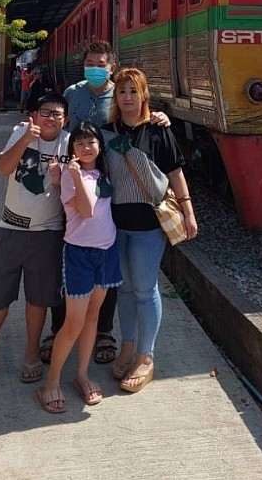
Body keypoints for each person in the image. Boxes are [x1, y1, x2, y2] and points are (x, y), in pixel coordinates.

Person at [40, 40, 171, 368]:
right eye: (90, 62)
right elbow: (59, 129)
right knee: (67, 258)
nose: (95, 68)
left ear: (111, 67)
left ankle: (105, 332)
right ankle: (58, 328)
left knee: (109, 269)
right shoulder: (73, 93)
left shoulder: (121, 95)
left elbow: (138, 119)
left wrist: (158, 116)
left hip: (108, 193)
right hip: (73, 186)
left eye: (101, 63)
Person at [0, 93, 69, 389]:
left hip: (47, 233)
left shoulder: (70, 143)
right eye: (45, 112)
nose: (50, 119)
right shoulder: (21, 132)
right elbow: (2, 168)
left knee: (38, 299)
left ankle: (31, 354)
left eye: (57, 114)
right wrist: (24, 140)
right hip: (10, 228)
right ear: (35, 115)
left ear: (66, 120)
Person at [104, 66, 198, 393]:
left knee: (145, 289)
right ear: (115, 96)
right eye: (122, 91)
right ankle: (127, 345)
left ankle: (146, 355)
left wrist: (188, 211)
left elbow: (175, 172)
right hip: (115, 225)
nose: (128, 97)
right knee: (126, 289)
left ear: (144, 94)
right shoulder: (106, 131)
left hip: (148, 226)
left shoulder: (158, 130)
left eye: (134, 91)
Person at [36, 122, 122, 414]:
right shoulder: (70, 176)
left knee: (93, 317)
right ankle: (51, 382)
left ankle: (82, 375)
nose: (86, 148)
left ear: (100, 145)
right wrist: (71, 174)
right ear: (72, 149)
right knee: (73, 322)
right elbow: (84, 210)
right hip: (79, 254)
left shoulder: (101, 173)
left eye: (91, 142)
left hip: (106, 252)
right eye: (80, 143)